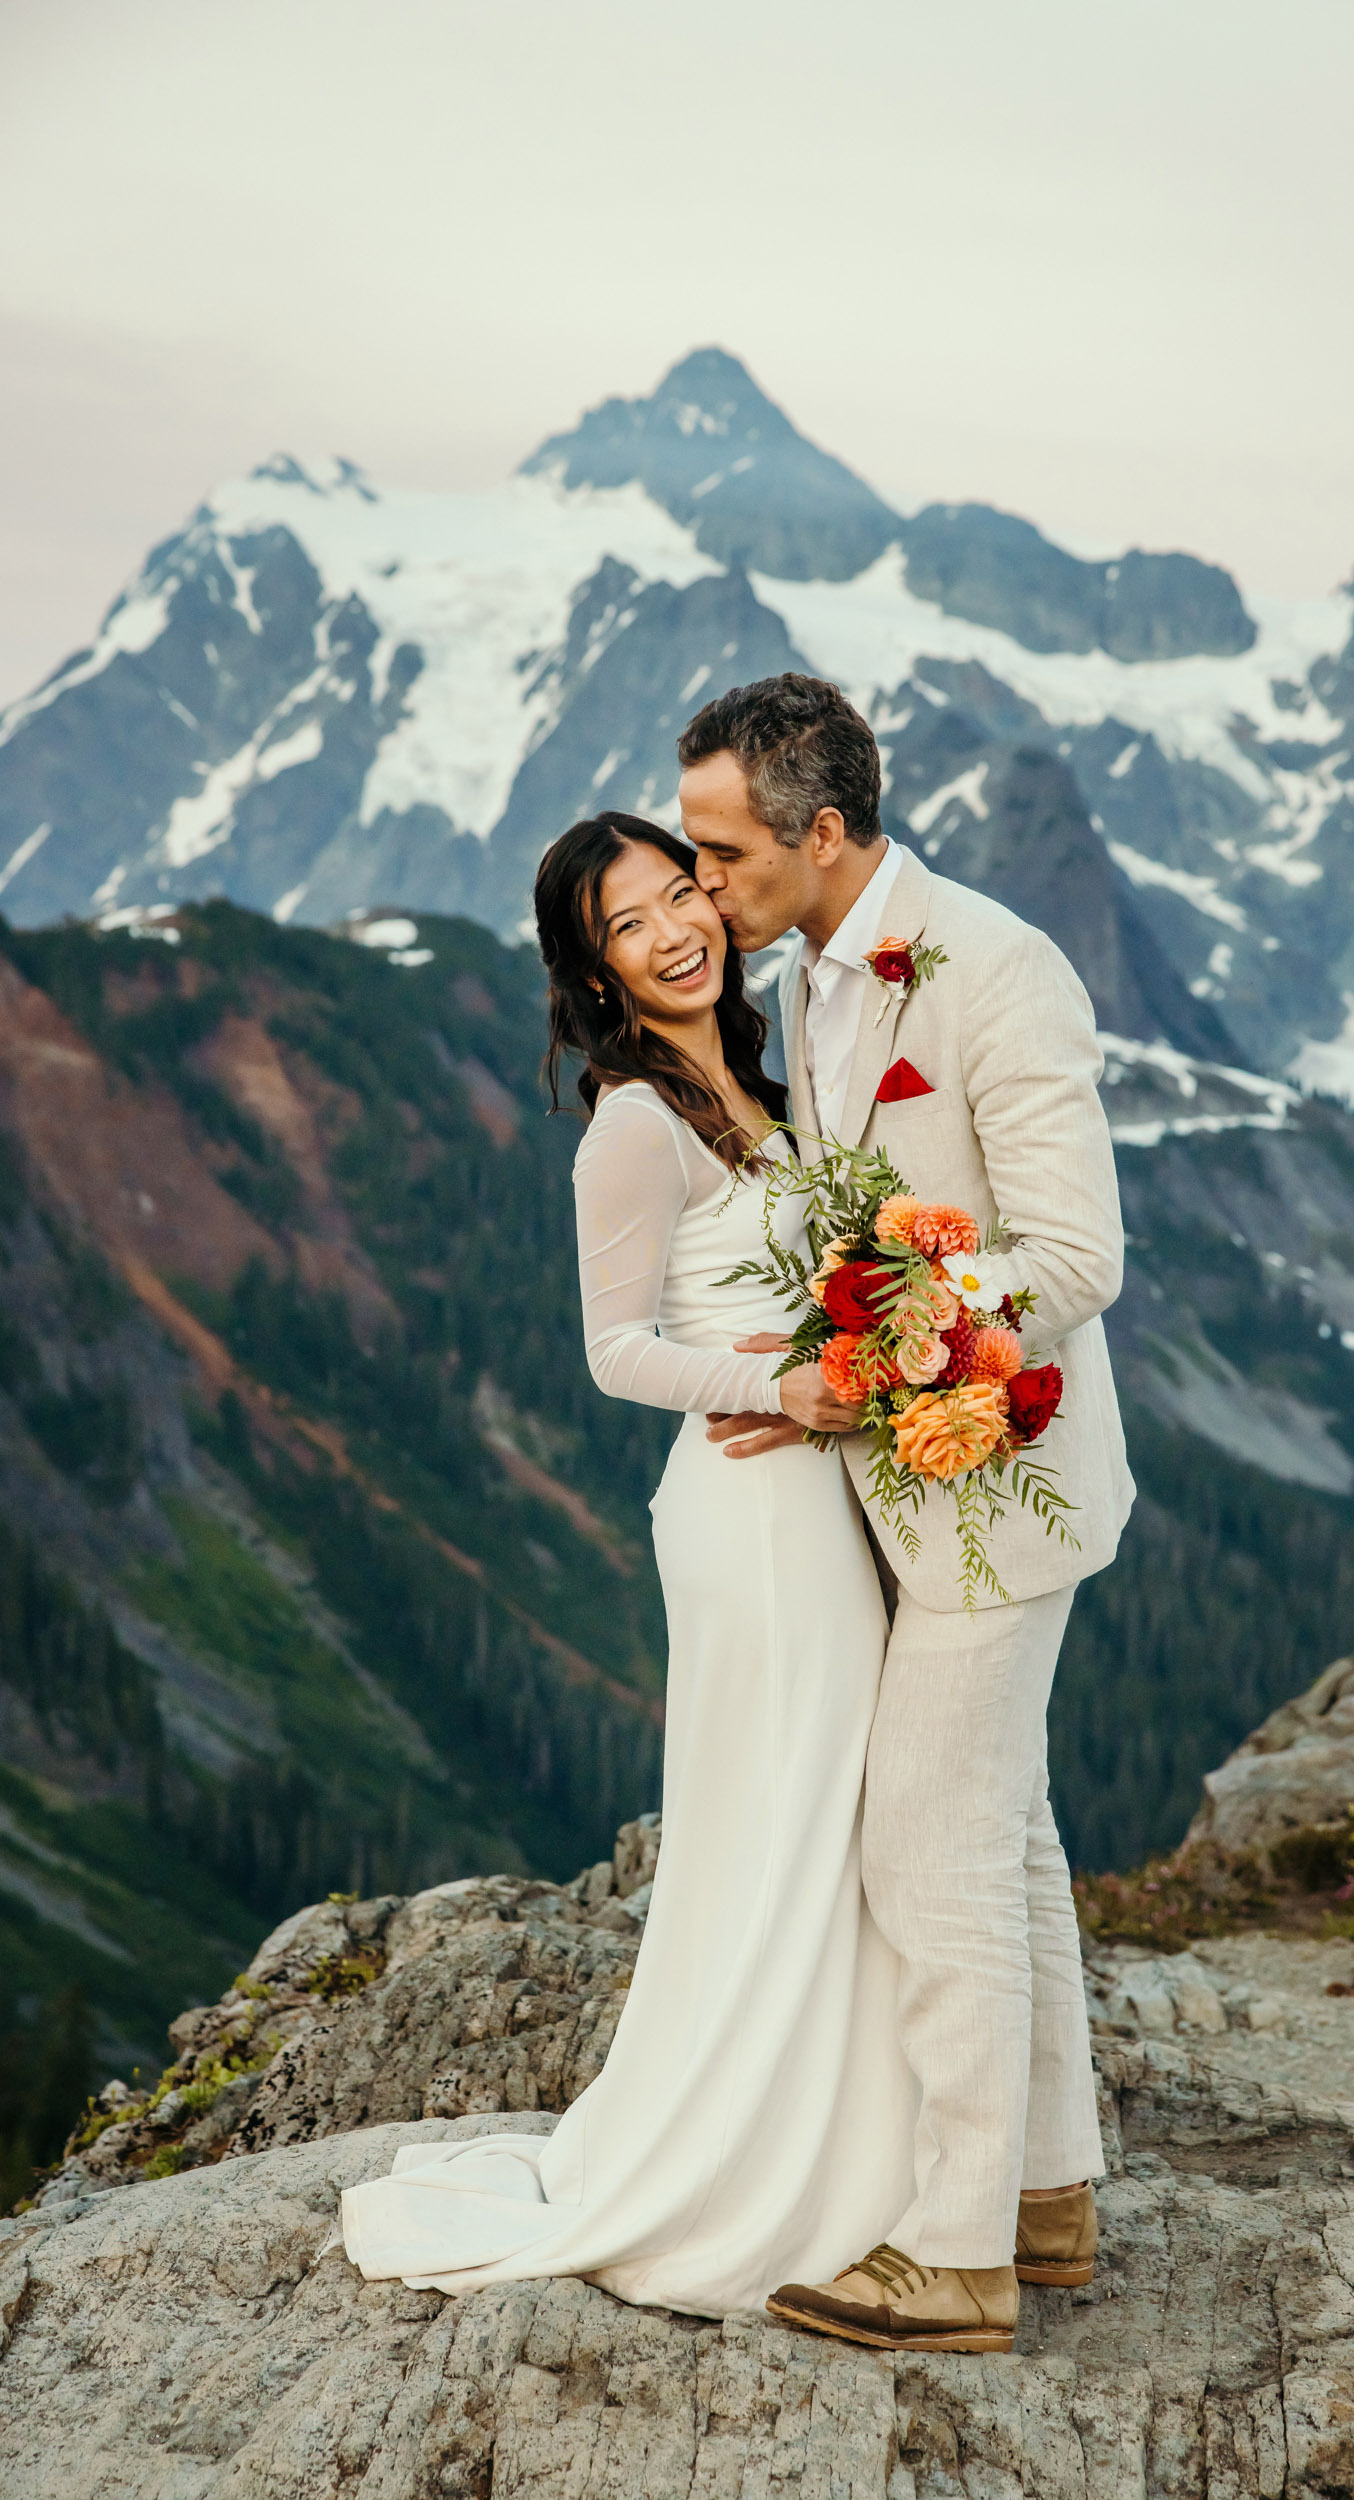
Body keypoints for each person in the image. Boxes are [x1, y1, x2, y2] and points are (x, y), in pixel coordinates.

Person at [338, 811, 918, 2318]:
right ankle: (765, 2169)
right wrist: (780, 1388)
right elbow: (611, 1355)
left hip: (819, 1496)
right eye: (630, 924)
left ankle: (854, 2139)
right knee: (787, 1809)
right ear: (590, 970)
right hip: (750, 1513)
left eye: (683, 894)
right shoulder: (634, 1120)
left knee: (830, 1809)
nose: (675, 932)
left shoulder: (761, 1078)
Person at [679, 673, 1134, 2354]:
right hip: (905, 1477)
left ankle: (956, 2256)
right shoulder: (808, 973)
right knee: (1007, 1833)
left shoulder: (1000, 971)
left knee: (924, 1846)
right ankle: (1049, 2192)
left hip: (1004, 1481)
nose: (702, 882)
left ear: (824, 829)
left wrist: (895, 1328)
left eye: (723, 852)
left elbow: (1079, 1255)